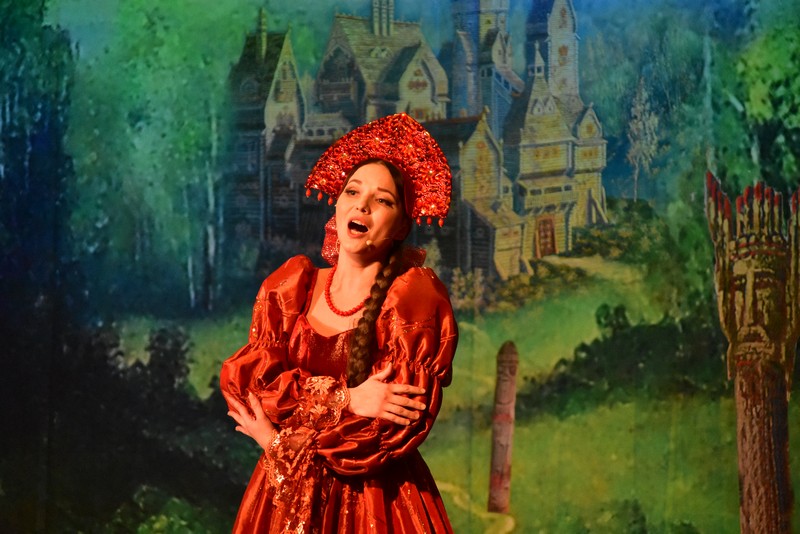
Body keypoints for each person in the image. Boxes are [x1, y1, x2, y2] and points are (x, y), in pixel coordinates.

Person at [220, 113, 458, 533]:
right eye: (353, 191)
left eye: (383, 200)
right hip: (284, 495)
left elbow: (379, 436)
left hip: (377, 504)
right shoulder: (291, 289)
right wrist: (345, 399)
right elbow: (253, 387)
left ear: (402, 225)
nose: (362, 205)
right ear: (337, 204)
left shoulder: (411, 305)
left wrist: (284, 438)